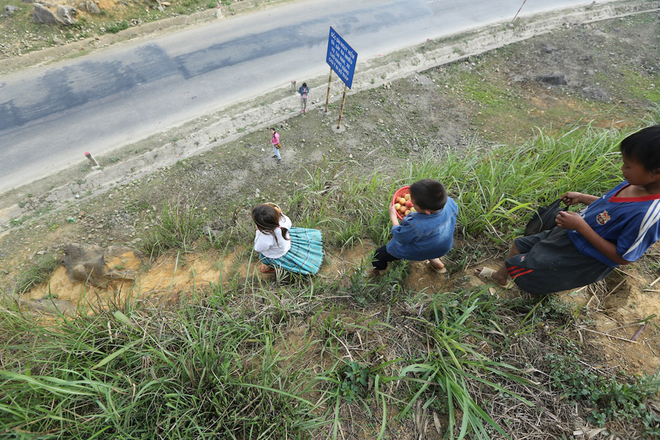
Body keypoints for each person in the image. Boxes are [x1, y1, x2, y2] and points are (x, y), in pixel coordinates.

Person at [476, 125, 660, 296]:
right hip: (569, 231)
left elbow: (623, 257)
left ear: (656, 172)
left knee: (530, 268)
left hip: (581, 254)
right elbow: (612, 207)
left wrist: (581, 227)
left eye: (628, 165)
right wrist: (582, 198)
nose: (622, 168)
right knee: (520, 245)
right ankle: (500, 277)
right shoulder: (635, 182)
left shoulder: (648, 215)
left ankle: (530, 294)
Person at [368, 179, 458, 276]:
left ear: (427, 211)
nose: (410, 203)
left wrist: (393, 216)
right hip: (443, 246)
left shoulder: (416, 224)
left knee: (379, 254)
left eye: (414, 204)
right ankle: (436, 262)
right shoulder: (450, 203)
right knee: (431, 244)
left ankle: (376, 270)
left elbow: (400, 237)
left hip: (420, 250)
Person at [252, 203, 324, 275]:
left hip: (277, 254)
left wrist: (258, 232)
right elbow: (287, 221)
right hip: (287, 243)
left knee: (263, 257)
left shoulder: (265, 236)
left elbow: (258, 248)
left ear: (260, 226)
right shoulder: (283, 221)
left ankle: (272, 268)